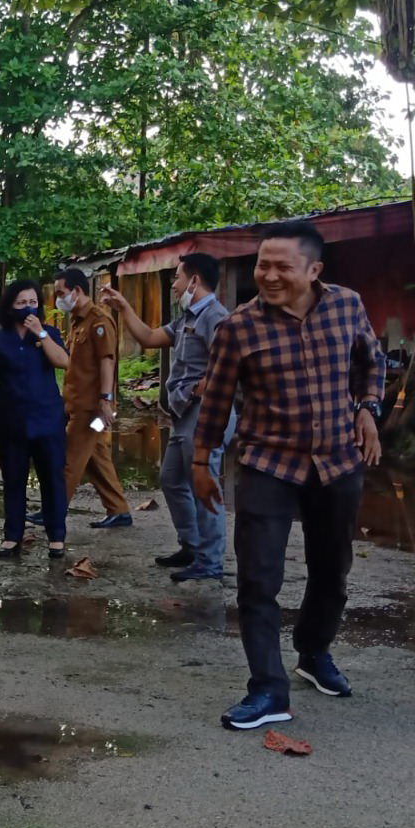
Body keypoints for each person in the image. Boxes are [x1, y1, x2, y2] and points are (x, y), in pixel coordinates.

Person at [192, 222, 384, 730]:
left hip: (338, 460)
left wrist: (367, 407)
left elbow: (372, 360)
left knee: (332, 570)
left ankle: (313, 652)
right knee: (258, 579)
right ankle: (267, 691)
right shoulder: (238, 327)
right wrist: (200, 461)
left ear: (314, 270)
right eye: (262, 265)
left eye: (282, 267)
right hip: (266, 464)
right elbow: (215, 399)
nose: (269, 276)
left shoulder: (347, 306)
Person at [100, 253, 234, 582]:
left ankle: (210, 561)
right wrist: (124, 307)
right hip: (184, 414)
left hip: (206, 414)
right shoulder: (188, 317)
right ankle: (192, 546)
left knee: (205, 484)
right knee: (172, 478)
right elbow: (148, 338)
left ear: (194, 280)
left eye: (176, 278)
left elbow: (228, 366)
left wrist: (202, 388)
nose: (173, 285)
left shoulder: (217, 317)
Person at [0, 279, 69, 559]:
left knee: (52, 478)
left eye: (33, 302)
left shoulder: (48, 333)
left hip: (48, 419)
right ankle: (12, 536)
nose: (28, 308)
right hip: (11, 420)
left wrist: (42, 335)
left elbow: (63, 361)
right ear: (10, 306)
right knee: (13, 480)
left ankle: (56, 537)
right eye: (22, 303)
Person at [49, 267, 133, 528]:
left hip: (92, 408)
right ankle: (119, 510)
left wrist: (106, 401)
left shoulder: (99, 320)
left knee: (69, 461)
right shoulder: (77, 320)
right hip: (78, 405)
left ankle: (54, 509)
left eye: (61, 293)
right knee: (96, 459)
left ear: (76, 291)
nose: (57, 299)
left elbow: (107, 361)